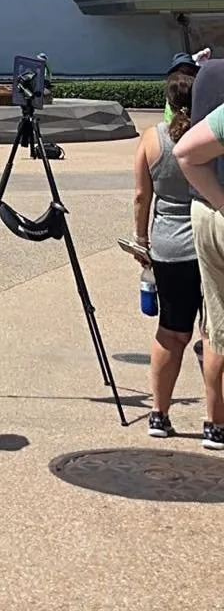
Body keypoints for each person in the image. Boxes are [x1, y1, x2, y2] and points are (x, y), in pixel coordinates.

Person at [125, 66, 202, 437]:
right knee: (213, 334)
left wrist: (141, 241)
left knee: (170, 332)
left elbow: (142, 195)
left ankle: (159, 414)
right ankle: (215, 423)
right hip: (207, 240)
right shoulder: (208, 137)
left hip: (168, 246)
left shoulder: (151, 138)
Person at [175, 54, 224, 449]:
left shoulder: (208, 75)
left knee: (215, 328)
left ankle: (214, 422)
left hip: (206, 210)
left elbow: (186, 153)